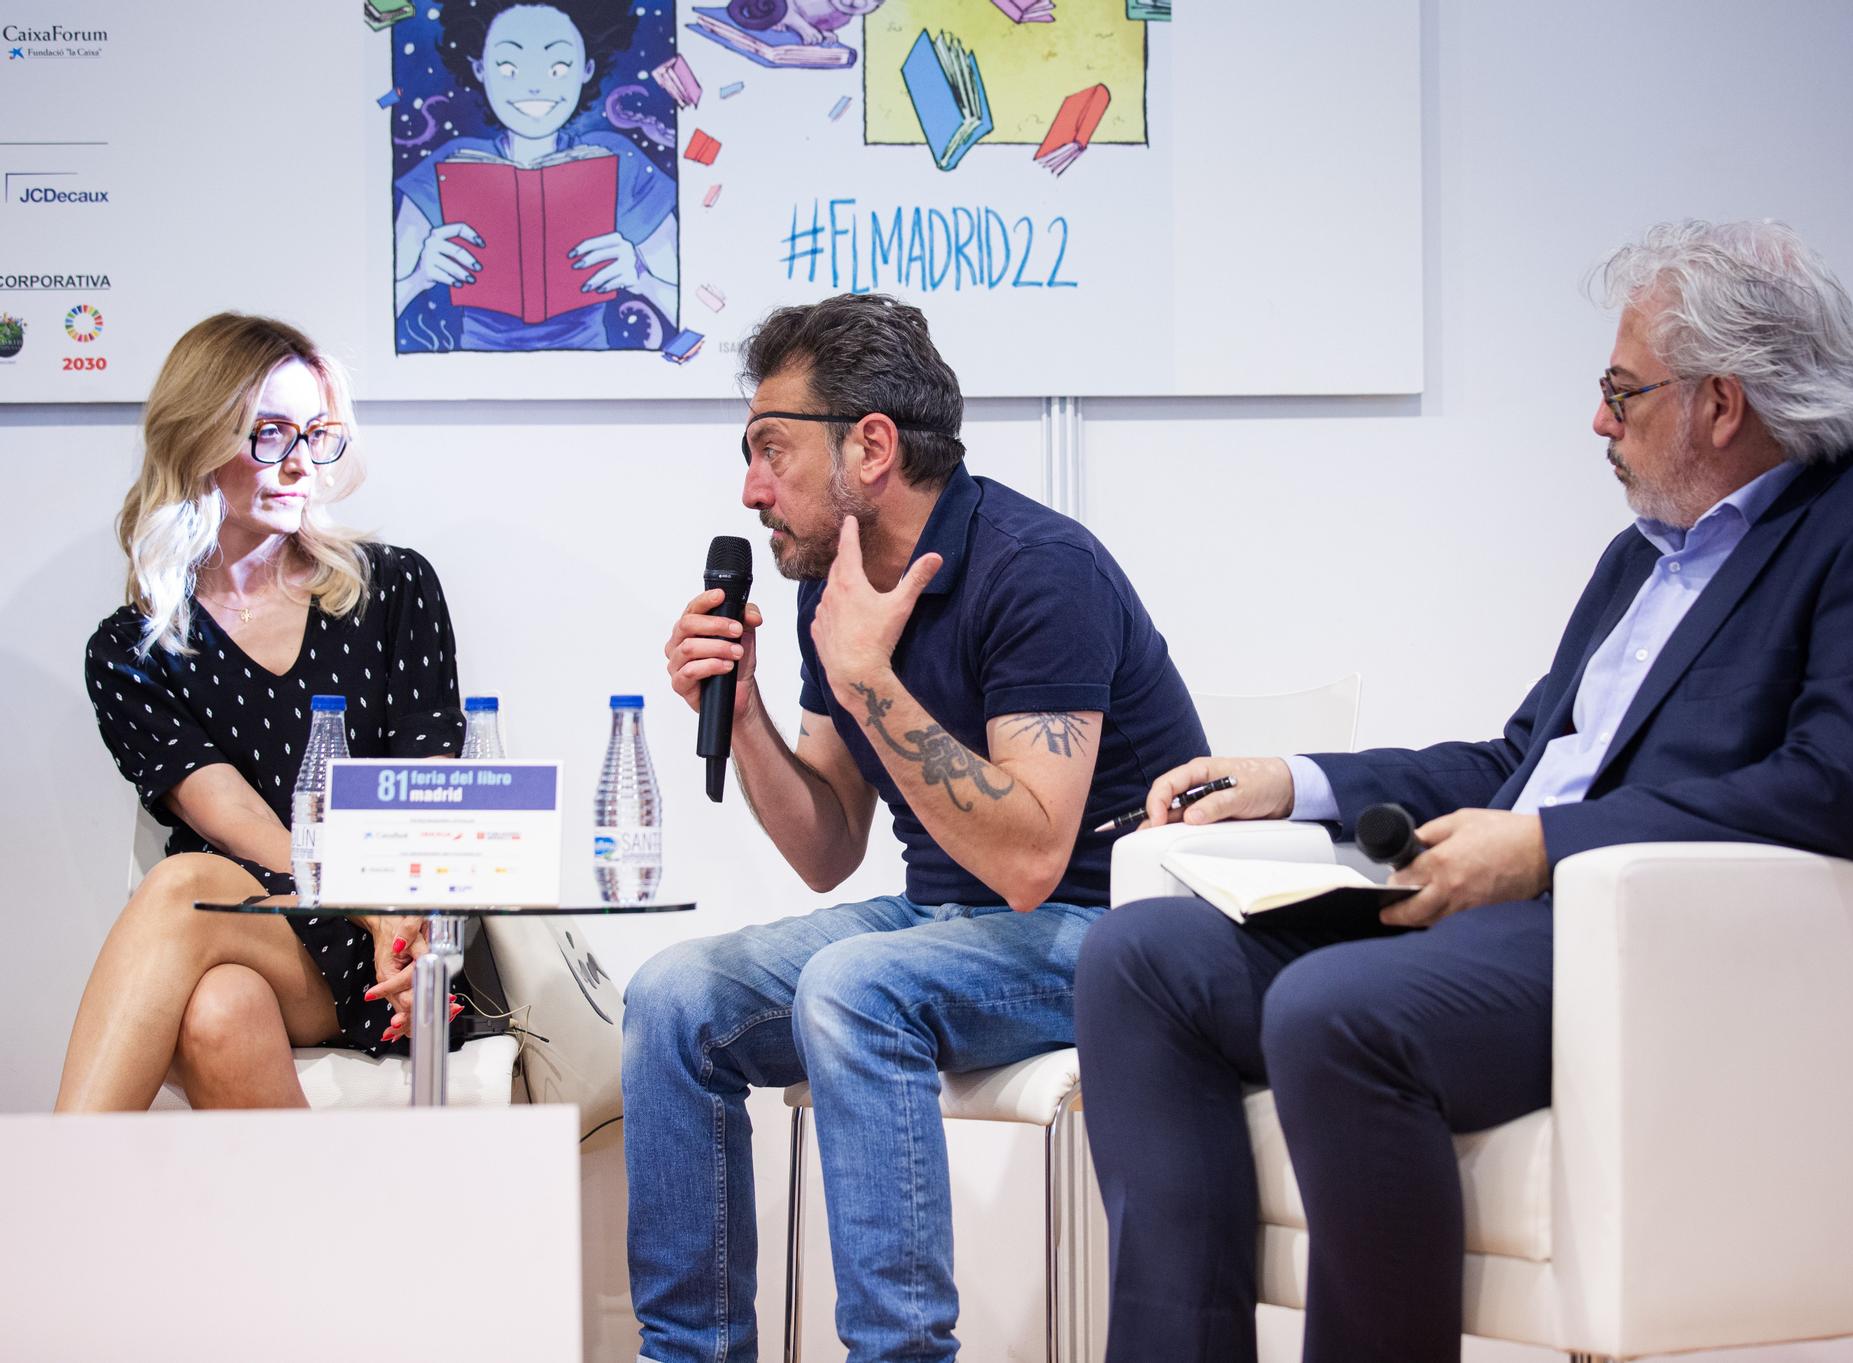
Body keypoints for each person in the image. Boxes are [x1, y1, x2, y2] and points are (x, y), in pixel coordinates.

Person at [1071, 220, 1853, 1363]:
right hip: (1510, 918)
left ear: (1719, 403)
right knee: (1136, 959)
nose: (1597, 422)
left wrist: (1547, 845)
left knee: (1331, 1008)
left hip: (1647, 945)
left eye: (1620, 390)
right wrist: (1295, 780)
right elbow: (1516, 759)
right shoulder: (1641, 556)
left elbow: (1846, 791)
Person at [622, 293, 1208, 1362]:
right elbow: (826, 843)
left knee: (857, 985)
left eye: (770, 448)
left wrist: (864, 674)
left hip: (1117, 928)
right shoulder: (830, 586)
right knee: (672, 998)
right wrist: (743, 708)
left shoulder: (1039, 570)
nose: (751, 487)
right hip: (948, 913)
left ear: (873, 446)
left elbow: (1033, 859)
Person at [59, 313, 468, 1112]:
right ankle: (326, 1241)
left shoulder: (396, 590)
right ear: (198, 437)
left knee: (183, 890)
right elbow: (236, 819)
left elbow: (432, 800)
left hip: (383, 942)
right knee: (219, 1008)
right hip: (260, 918)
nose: (299, 464)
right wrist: (364, 895)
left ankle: (41, 1210)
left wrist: (398, 916)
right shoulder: (131, 651)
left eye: (317, 434)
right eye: (270, 434)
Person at [393, 0, 680, 349]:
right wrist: (422, 275)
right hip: (472, 369)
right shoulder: (447, 168)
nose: (533, 86)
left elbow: (686, 303)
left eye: (558, 67)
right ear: (480, 68)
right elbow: (378, 307)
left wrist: (639, 278)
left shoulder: (621, 162)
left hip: (597, 366)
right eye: (509, 67)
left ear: (587, 68)